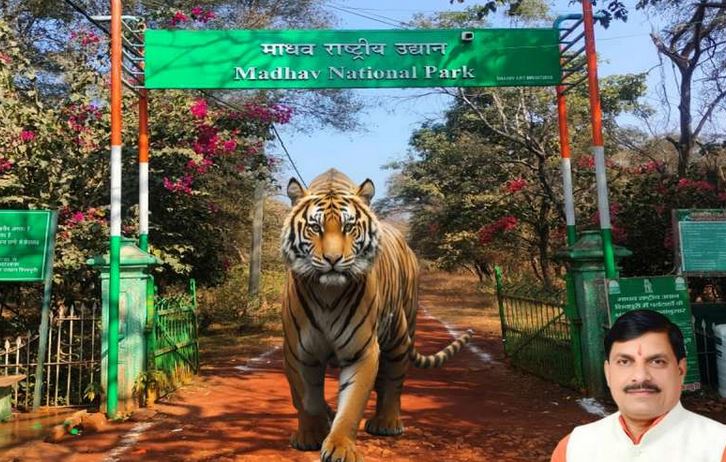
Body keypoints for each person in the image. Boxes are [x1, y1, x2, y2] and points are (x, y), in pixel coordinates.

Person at [551, 309, 726, 462]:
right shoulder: (574, 449)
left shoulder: (717, 448)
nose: (641, 376)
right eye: (624, 362)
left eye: (657, 362)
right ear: (608, 373)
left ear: (680, 371)